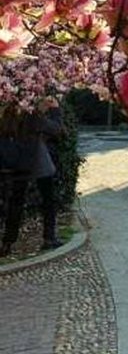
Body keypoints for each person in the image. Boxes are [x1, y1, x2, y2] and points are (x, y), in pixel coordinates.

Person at [0, 100, 65, 256]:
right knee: (48, 200)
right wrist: (55, 109)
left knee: (15, 203)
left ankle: (7, 243)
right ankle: (49, 238)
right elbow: (56, 129)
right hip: (37, 163)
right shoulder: (31, 116)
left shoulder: (6, 115)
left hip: (16, 166)